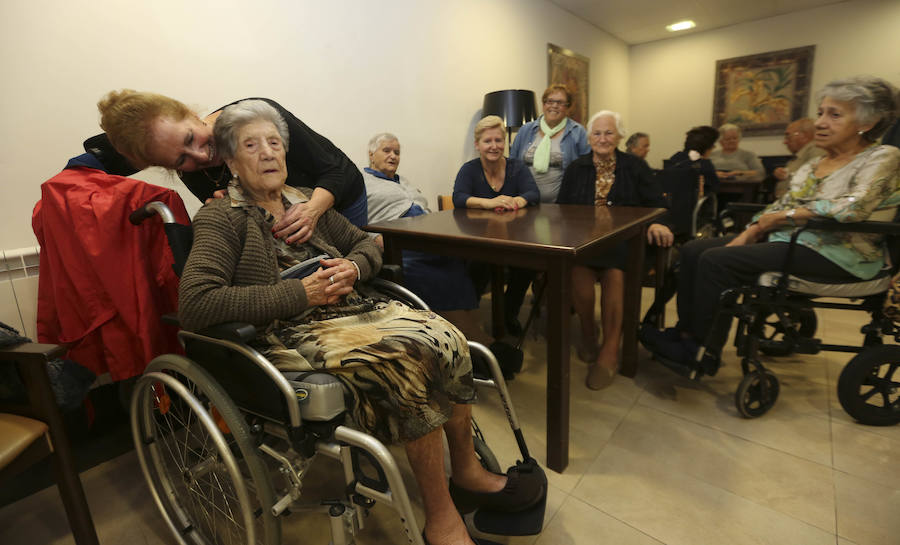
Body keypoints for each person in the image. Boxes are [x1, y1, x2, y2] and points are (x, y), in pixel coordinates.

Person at [179, 100, 542, 545]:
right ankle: (440, 518)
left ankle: (466, 470)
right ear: (232, 161)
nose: (268, 153)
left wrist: (352, 268)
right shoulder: (221, 217)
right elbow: (196, 302)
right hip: (294, 330)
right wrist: (299, 293)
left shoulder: (305, 203)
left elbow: (370, 244)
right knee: (406, 360)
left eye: (274, 143)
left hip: (355, 311)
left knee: (446, 335)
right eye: (251, 145)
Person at [641, 76, 900, 375]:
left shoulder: (883, 156)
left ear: (868, 122)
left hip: (842, 252)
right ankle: (685, 333)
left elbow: (853, 207)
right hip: (794, 240)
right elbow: (780, 204)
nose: (820, 122)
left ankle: (701, 351)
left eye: (835, 114)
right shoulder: (813, 164)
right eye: (821, 113)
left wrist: (778, 220)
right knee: (693, 250)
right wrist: (753, 229)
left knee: (717, 261)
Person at [96, 90, 367, 243]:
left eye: (191, 138)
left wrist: (312, 210)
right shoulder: (192, 171)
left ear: (192, 115)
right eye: (180, 160)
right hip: (290, 224)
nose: (200, 156)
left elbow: (338, 170)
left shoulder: (259, 116)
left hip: (339, 196)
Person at [363, 132, 523, 377]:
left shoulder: (403, 181)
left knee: (460, 264)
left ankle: (469, 342)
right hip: (399, 244)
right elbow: (352, 221)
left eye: (397, 152)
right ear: (371, 154)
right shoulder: (362, 181)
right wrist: (372, 239)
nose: (393, 156)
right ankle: (481, 348)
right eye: (386, 151)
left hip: (428, 238)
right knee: (434, 275)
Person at [557, 110, 674, 390]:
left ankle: (610, 349)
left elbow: (657, 203)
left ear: (620, 136)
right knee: (579, 280)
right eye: (596, 133)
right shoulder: (577, 168)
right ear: (589, 137)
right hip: (585, 242)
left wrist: (658, 223)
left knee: (616, 276)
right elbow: (561, 209)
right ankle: (588, 333)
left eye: (609, 133)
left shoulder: (635, 166)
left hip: (624, 243)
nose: (602, 138)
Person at [453, 116, 540, 337]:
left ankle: (508, 312)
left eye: (499, 140)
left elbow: (533, 193)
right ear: (477, 145)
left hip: (514, 238)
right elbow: (459, 197)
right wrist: (489, 203)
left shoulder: (516, 167)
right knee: (477, 265)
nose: (494, 146)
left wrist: (516, 201)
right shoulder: (469, 169)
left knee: (528, 264)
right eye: (487, 141)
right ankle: (468, 319)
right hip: (479, 239)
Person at [508, 84, 589, 203]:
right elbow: (512, 165)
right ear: (543, 104)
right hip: (525, 202)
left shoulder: (578, 132)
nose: (554, 106)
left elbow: (586, 171)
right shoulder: (526, 130)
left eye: (560, 102)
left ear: (568, 107)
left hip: (563, 205)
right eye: (550, 101)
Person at [773, 118, 825, 198]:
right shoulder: (800, 154)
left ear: (805, 136)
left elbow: (812, 180)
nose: (785, 142)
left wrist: (787, 174)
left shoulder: (816, 150)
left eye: (788, 136)